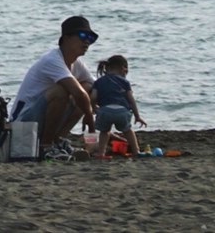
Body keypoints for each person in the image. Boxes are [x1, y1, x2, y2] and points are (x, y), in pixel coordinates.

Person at [9, 15, 99, 158]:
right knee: (63, 91)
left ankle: (58, 141)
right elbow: (78, 94)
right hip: (24, 124)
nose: (87, 41)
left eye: (91, 38)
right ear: (66, 38)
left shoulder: (77, 64)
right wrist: (91, 126)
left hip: (41, 121)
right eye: (82, 35)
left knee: (88, 88)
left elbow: (97, 88)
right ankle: (46, 146)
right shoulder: (52, 60)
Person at [92, 55, 145, 155]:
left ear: (106, 68)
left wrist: (94, 108)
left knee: (104, 132)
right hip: (122, 112)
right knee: (128, 131)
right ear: (122, 68)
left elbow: (93, 97)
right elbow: (131, 100)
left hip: (105, 111)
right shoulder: (125, 82)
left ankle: (101, 153)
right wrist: (137, 116)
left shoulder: (98, 82)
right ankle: (136, 151)